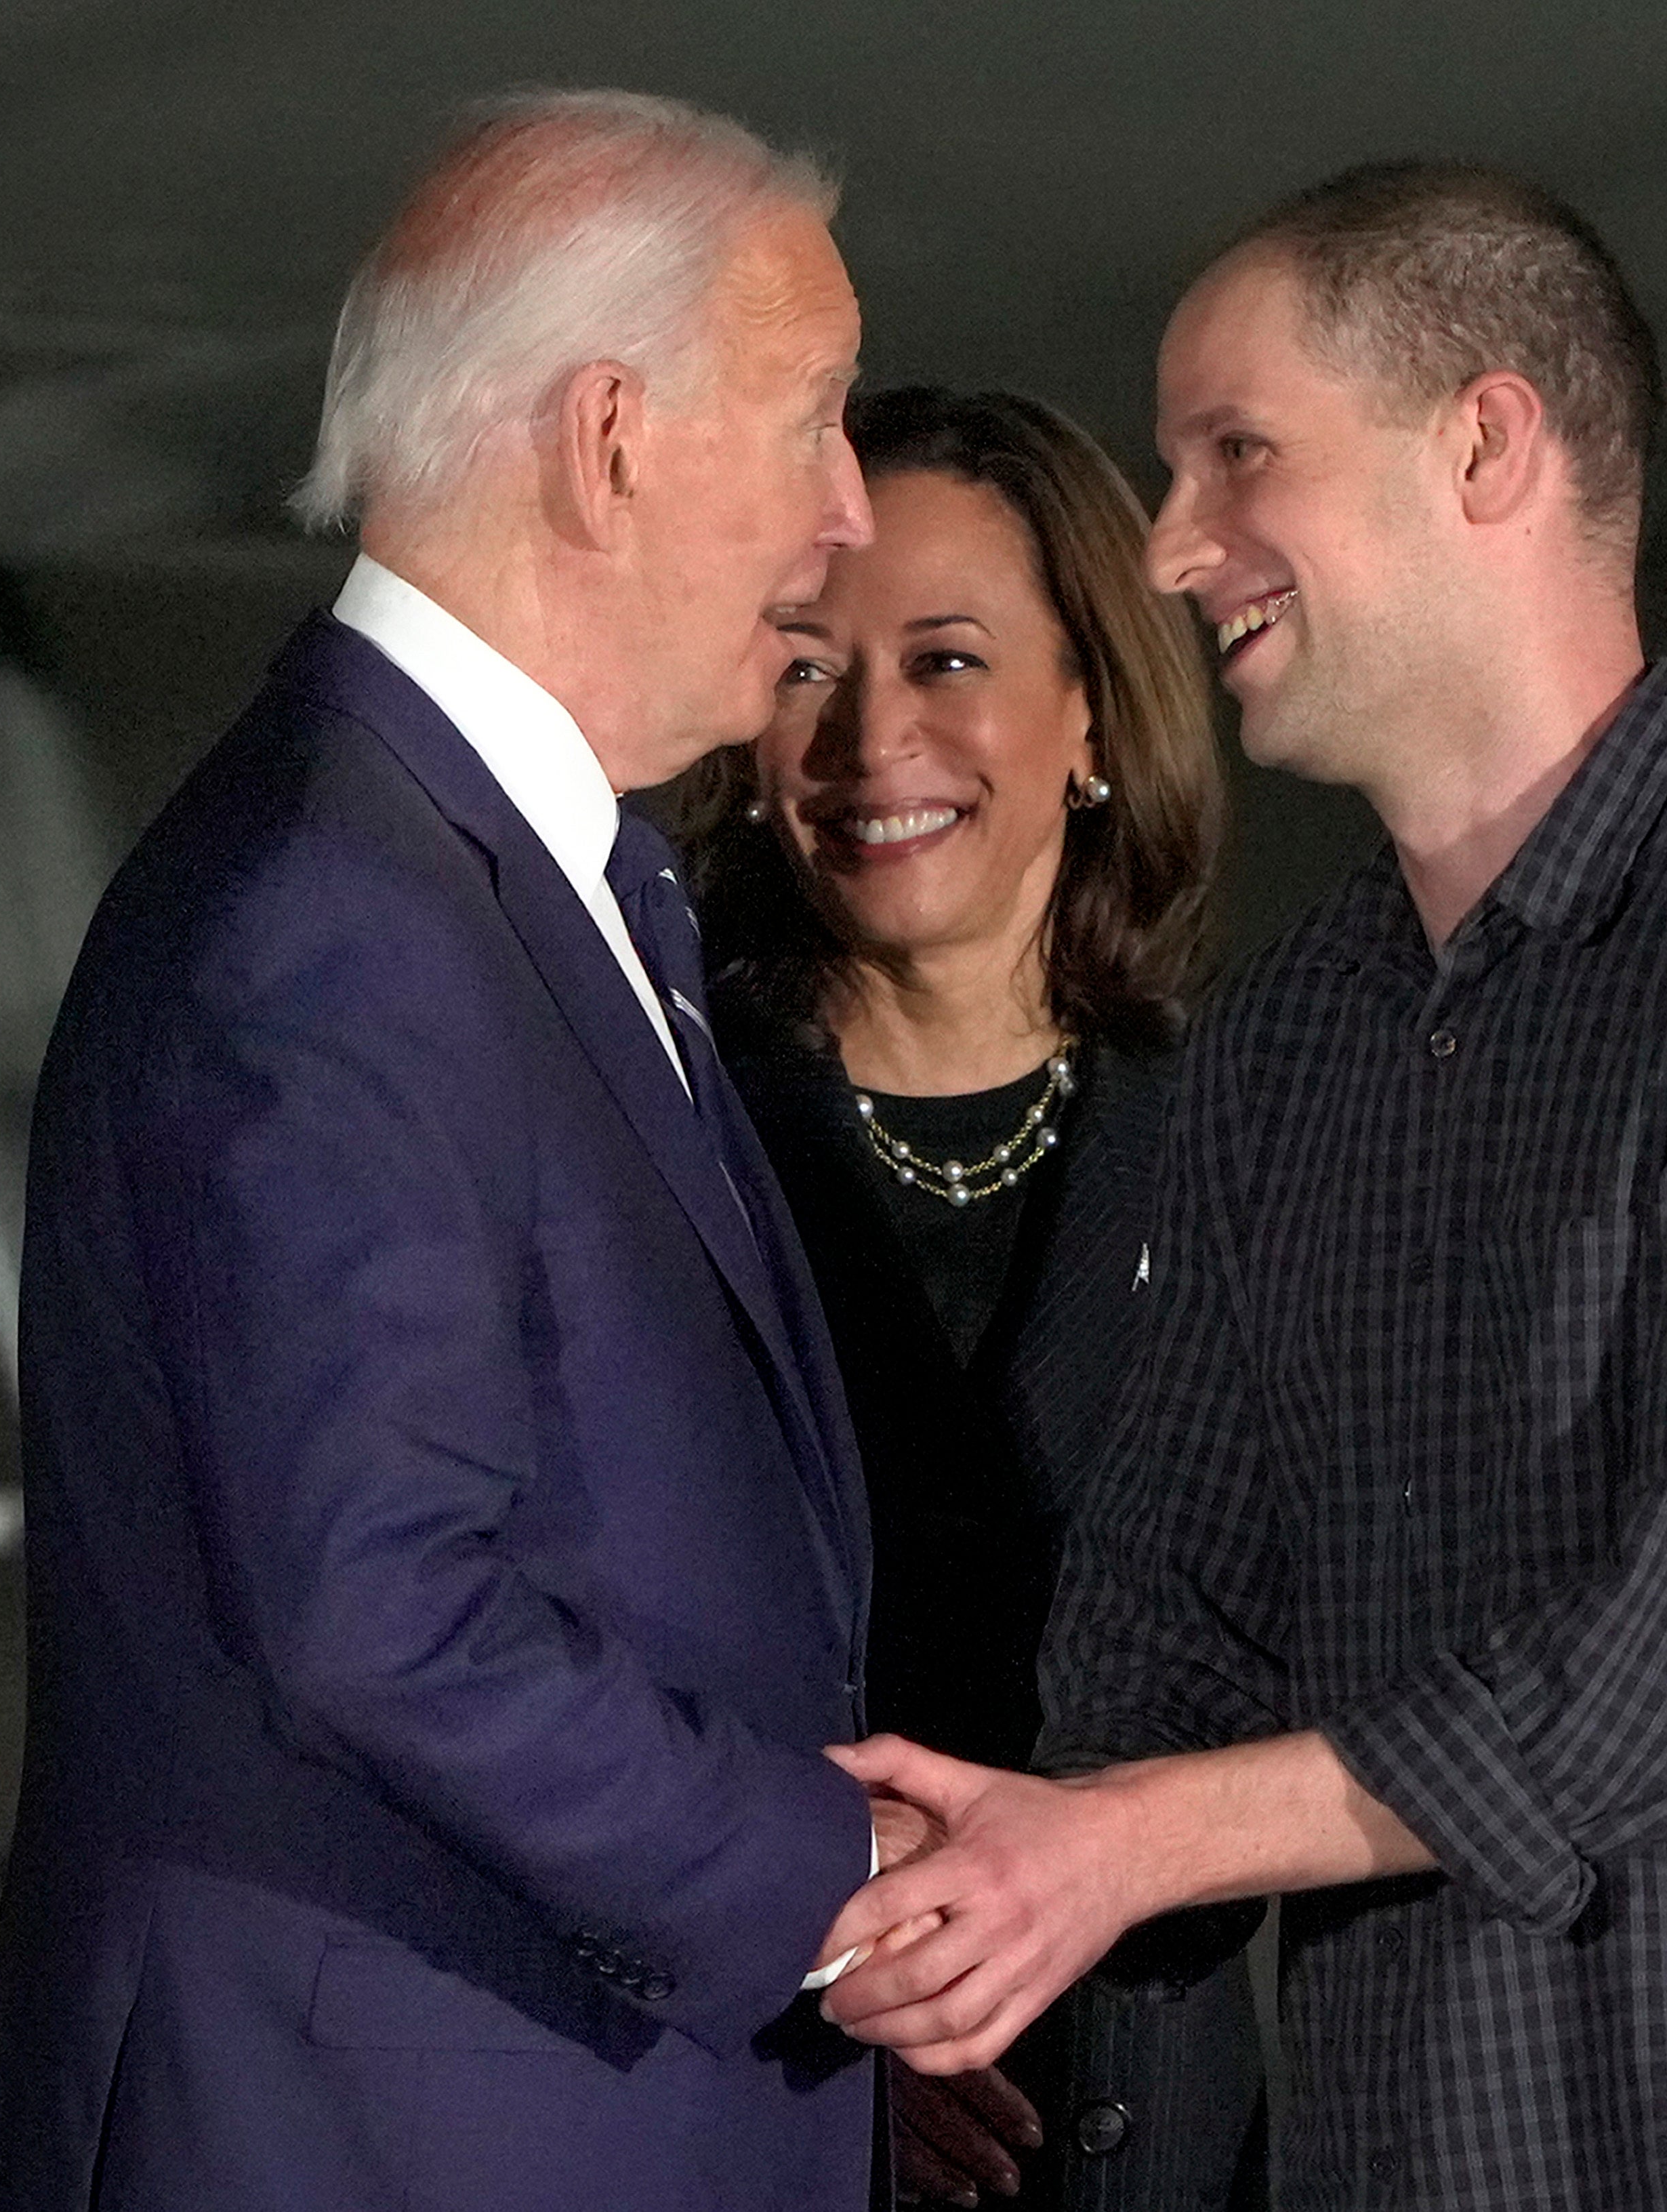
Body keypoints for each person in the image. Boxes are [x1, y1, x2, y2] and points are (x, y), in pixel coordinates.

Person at [812, 161, 1667, 2210]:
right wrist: (948, 1884)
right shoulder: (1297, 1034)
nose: (1171, 544)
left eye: (1238, 453)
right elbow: (1170, 1627)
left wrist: (1119, 1846)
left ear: (1486, 442)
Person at [0, 90, 919, 2212]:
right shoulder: (337, 917)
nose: (849, 511)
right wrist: (846, 1889)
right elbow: (378, 1605)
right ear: (610, 439)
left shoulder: (470, 880)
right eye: (817, 416)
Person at [674, 386, 1255, 2211]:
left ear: (1093, 706)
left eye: (946, 659)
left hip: (1160, 2142)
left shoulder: (1269, 1154)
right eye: (804, 666)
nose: (870, 741)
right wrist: (817, 2002)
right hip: (748, 2123)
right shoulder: (648, 1133)